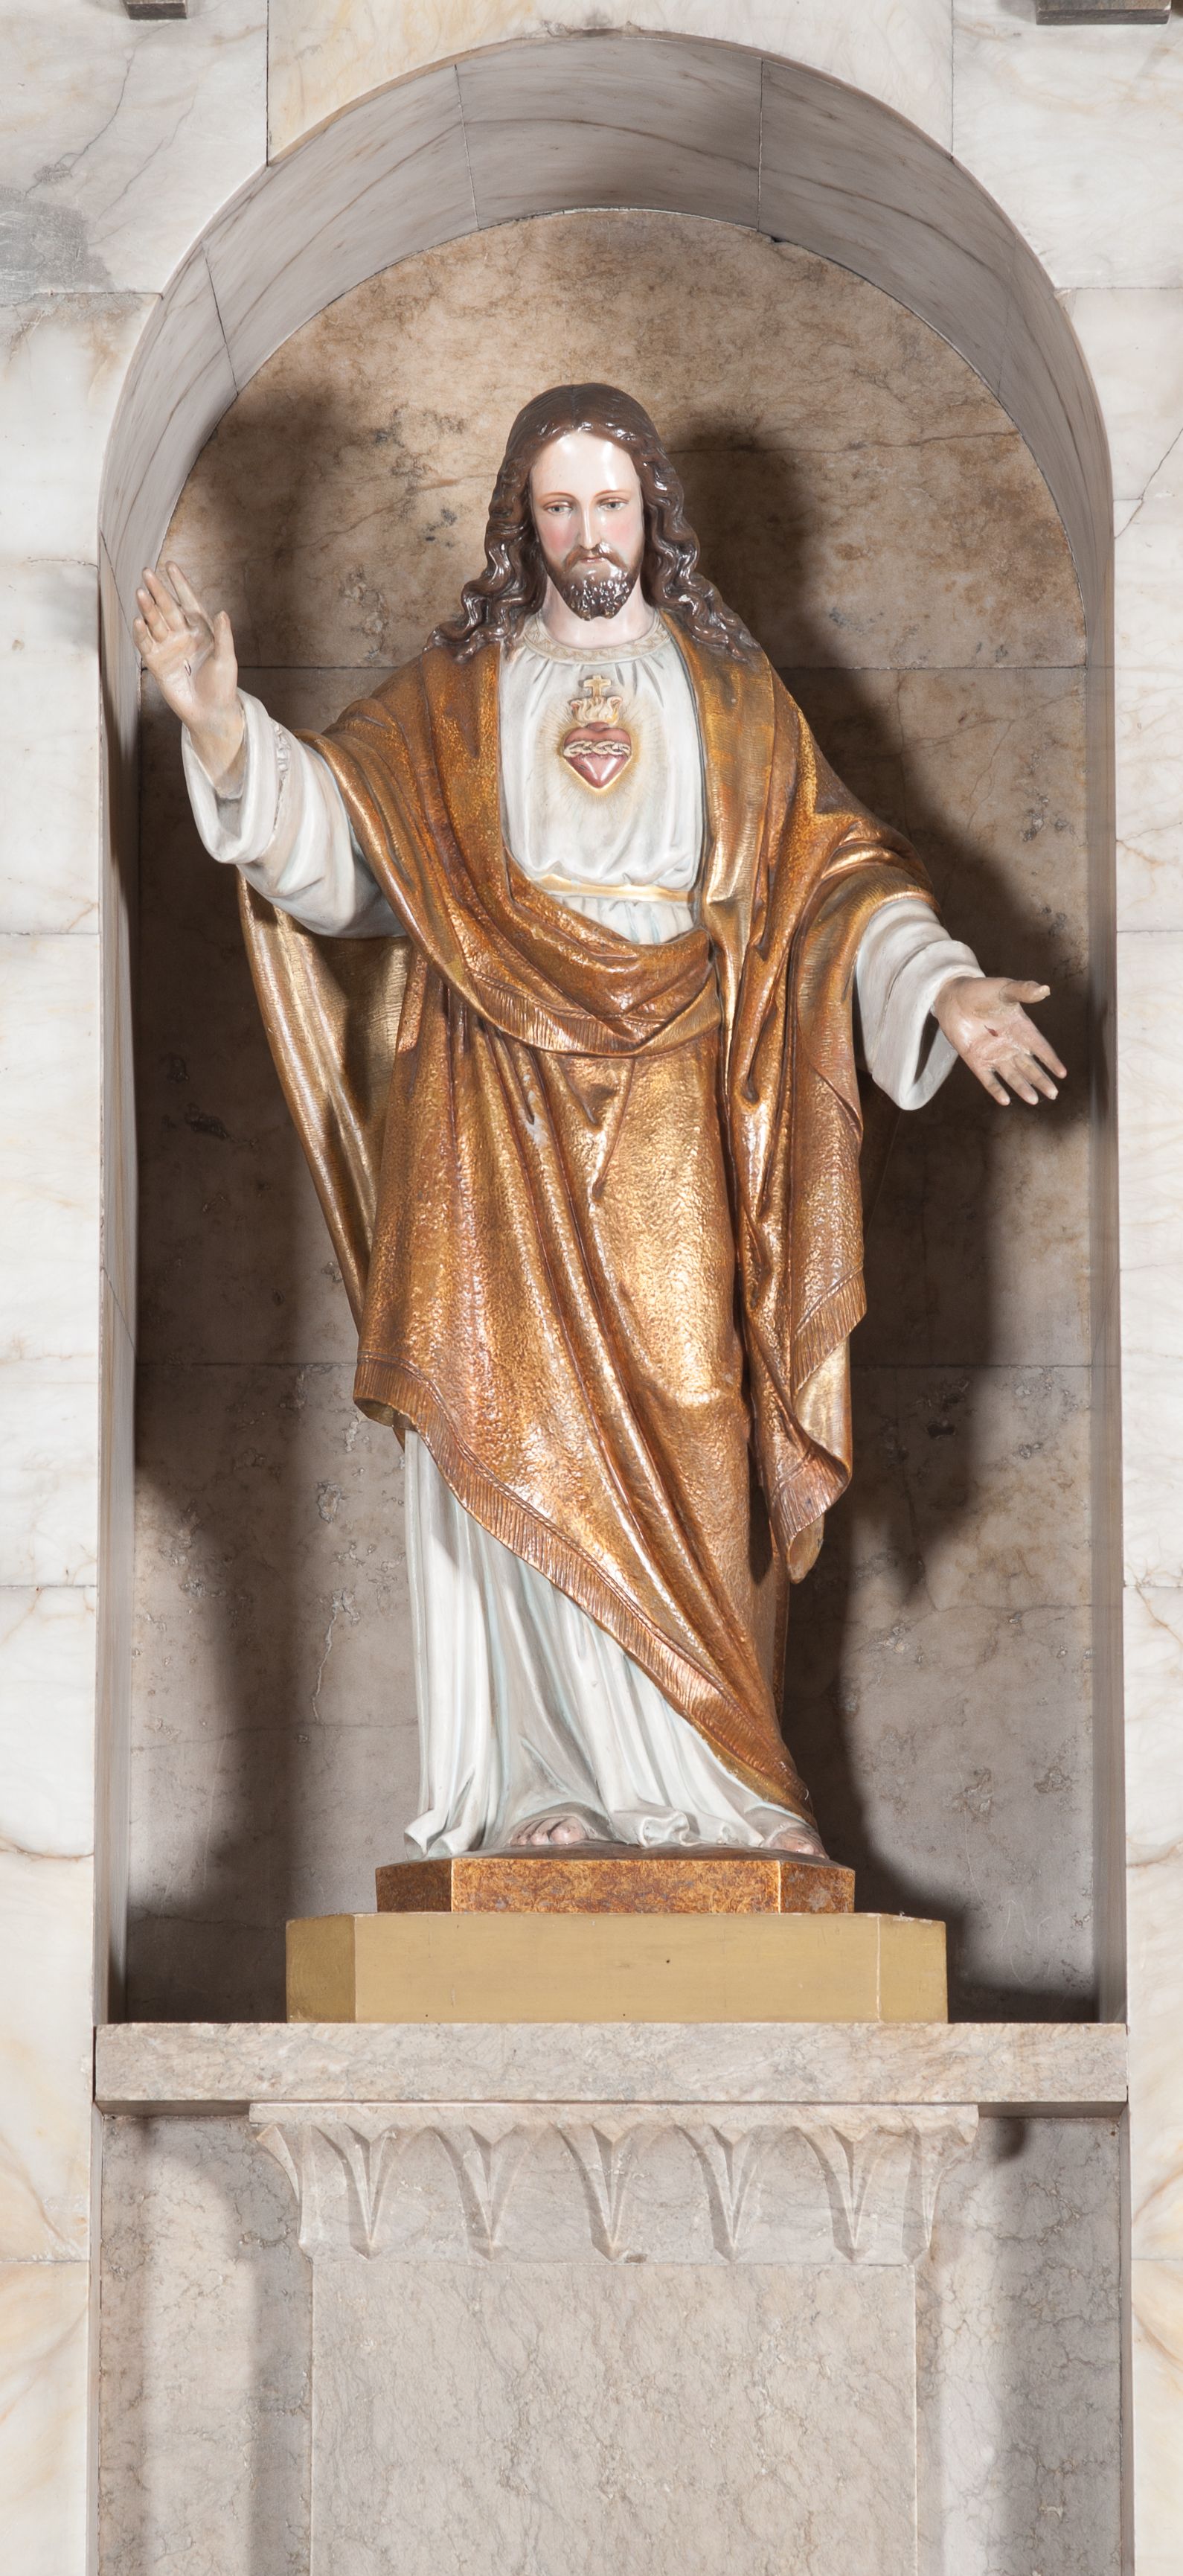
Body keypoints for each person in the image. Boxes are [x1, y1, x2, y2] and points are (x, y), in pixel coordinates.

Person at [135, 383, 1065, 1862]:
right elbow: (343, 857)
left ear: (652, 517)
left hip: (679, 1105)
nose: (587, 534)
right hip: (487, 1101)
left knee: (698, 1407)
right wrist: (224, 730)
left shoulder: (729, 696)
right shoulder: (452, 696)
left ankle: (718, 1789)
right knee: (499, 1412)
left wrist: (943, 988)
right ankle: (533, 1789)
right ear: (523, 515)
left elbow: (835, 882)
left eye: (610, 505)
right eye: (560, 505)